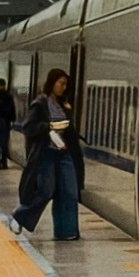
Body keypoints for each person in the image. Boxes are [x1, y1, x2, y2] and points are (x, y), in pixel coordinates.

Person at [25, 67, 82, 241]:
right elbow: (29, 128)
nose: (64, 87)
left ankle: (68, 231)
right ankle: (22, 216)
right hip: (47, 154)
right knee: (46, 191)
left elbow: (69, 129)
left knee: (69, 192)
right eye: (61, 83)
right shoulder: (40, 103)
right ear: (52, 83)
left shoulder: (63, 104)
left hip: (64, 154)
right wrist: (49, 127)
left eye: (66, 84)